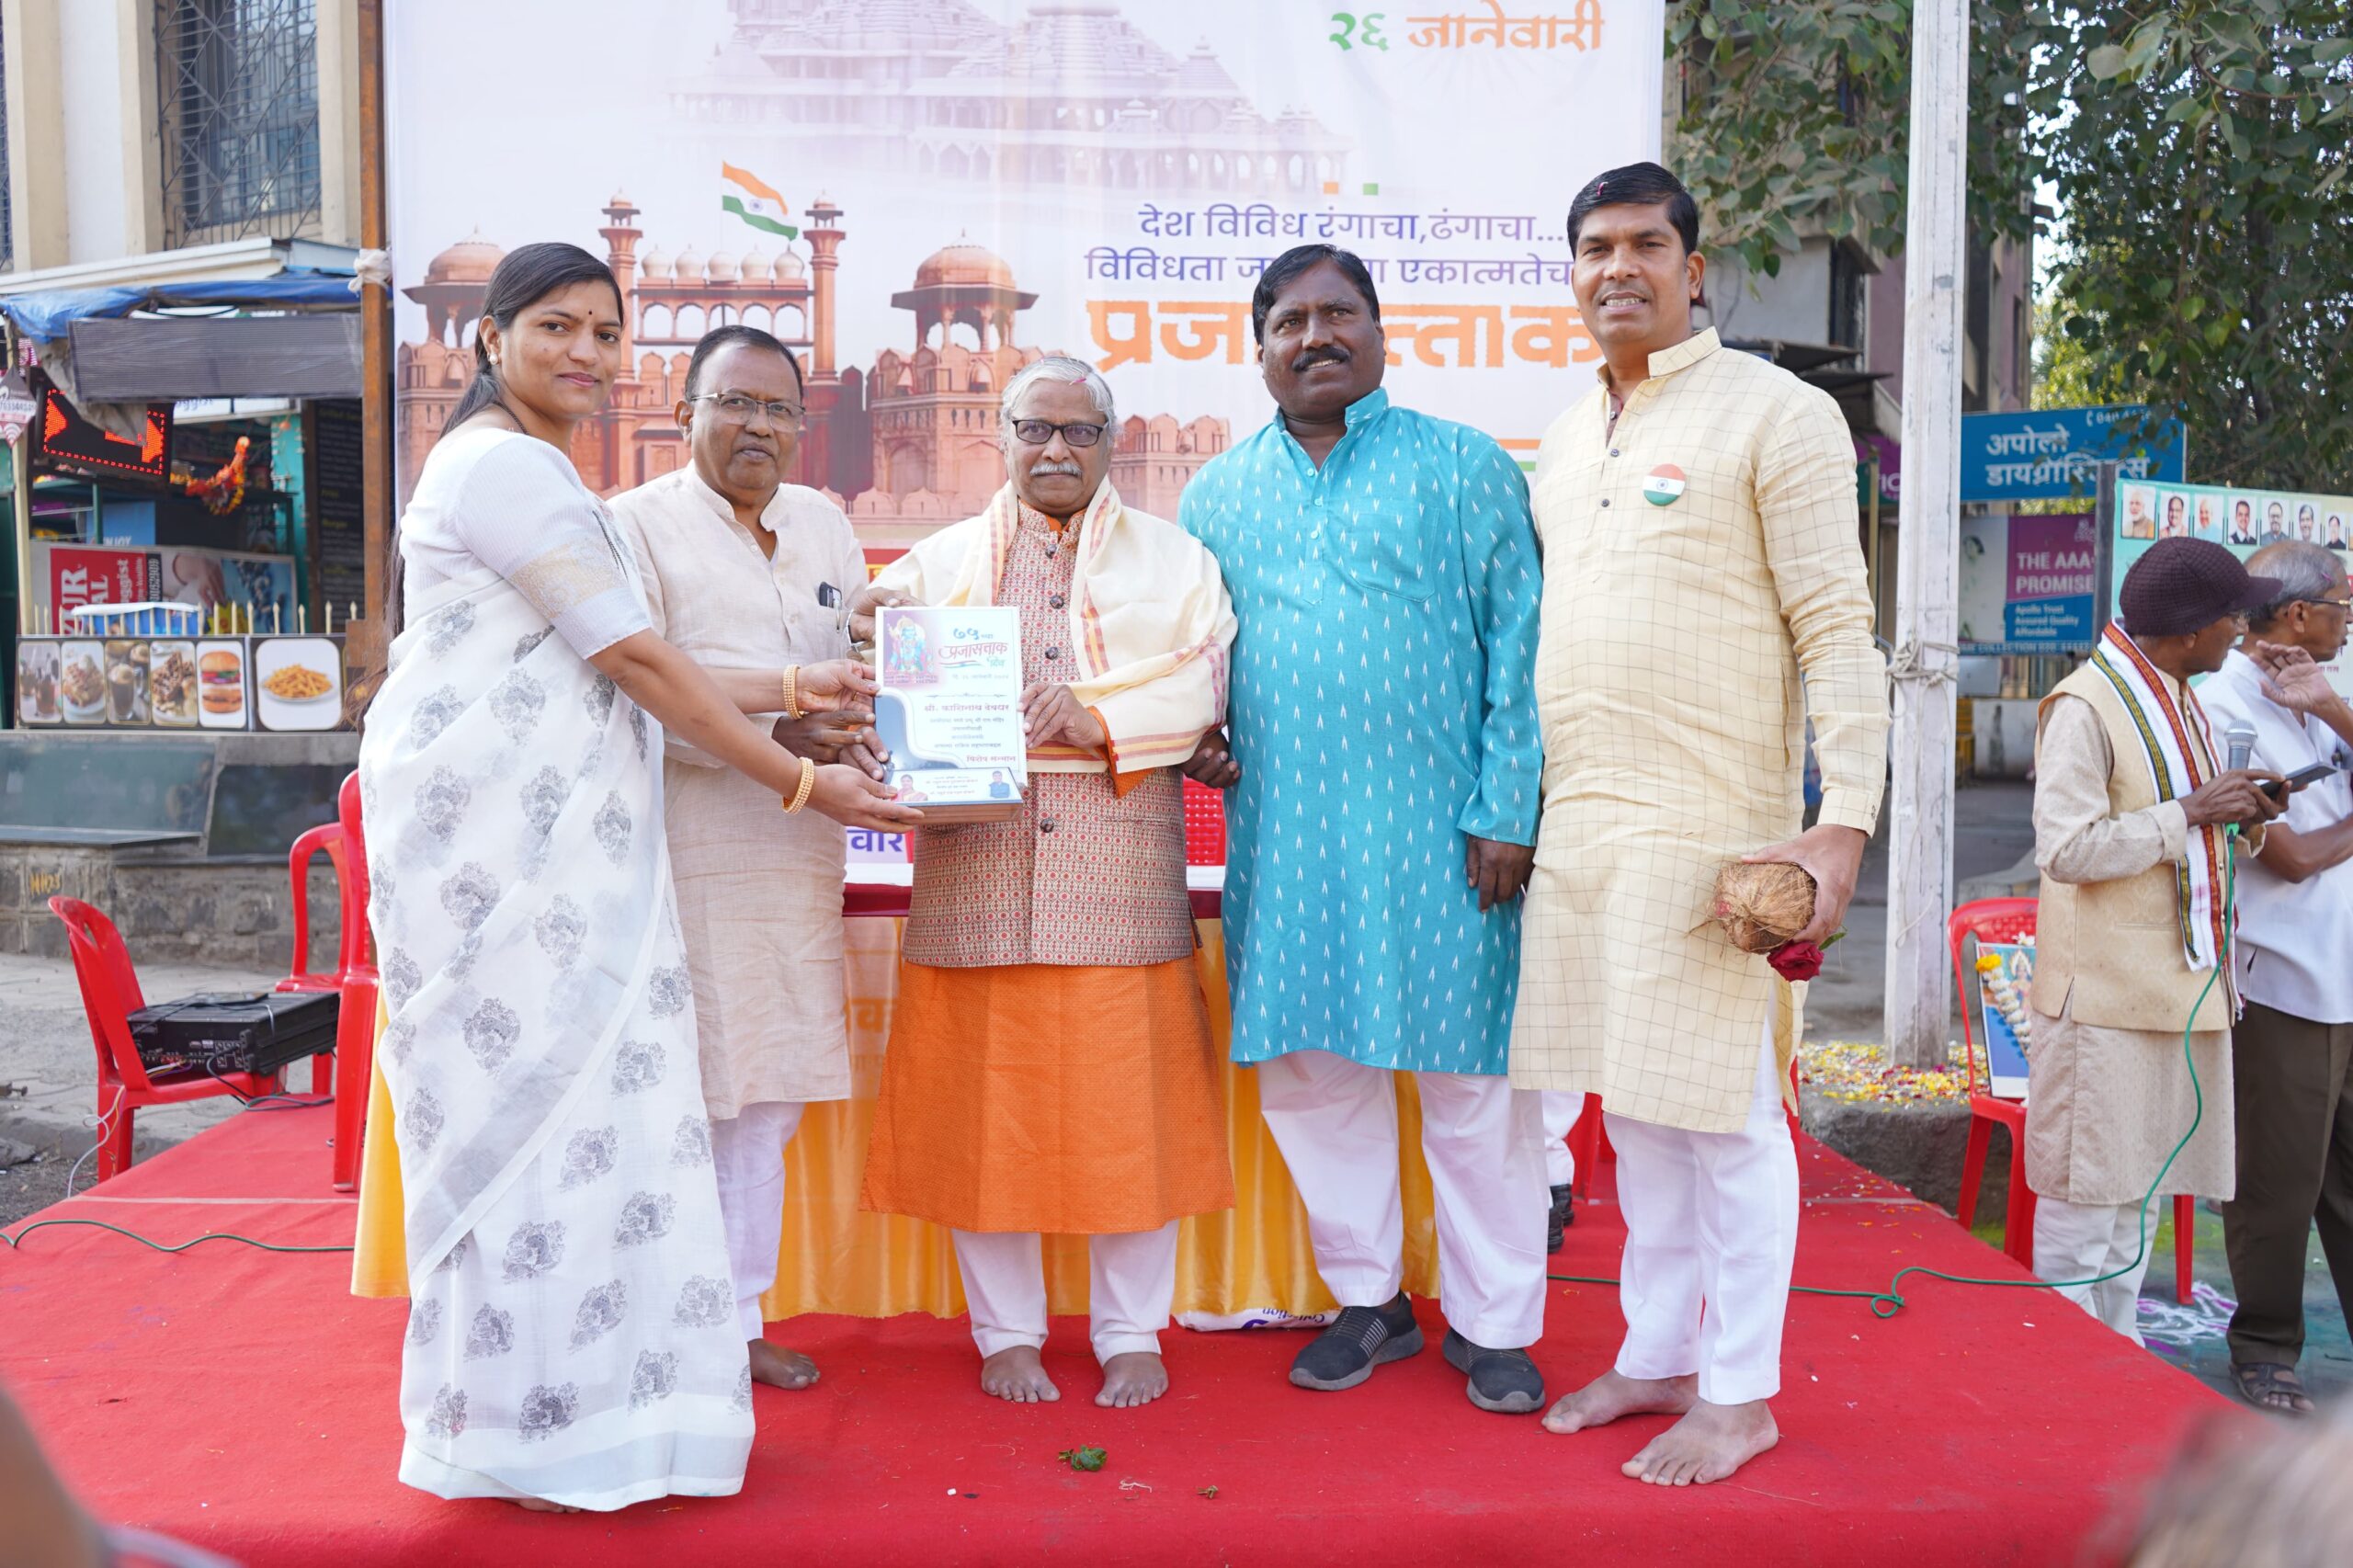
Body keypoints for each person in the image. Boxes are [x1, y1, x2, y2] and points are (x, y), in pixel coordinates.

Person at [360, 243, 915, 1510]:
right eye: (556, 326)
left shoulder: (536, 471)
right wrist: (800, 777)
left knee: (584, 1130)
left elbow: (620, 658)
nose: (587, 352)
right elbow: (639, 663)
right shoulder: (508, 469)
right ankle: (533, 1425)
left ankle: (577, 1413)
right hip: (509, 860)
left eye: (606, 333)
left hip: (560, 850)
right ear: (489, 338)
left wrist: (801, 688)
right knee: (538, 1125)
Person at [1508, 164, 1889, 1485]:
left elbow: (1837, 627)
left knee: (1726, 1118)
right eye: (1594, 247)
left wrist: (1842, 823)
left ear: (1693, 267)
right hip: (1584, 830)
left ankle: (1740, 1392)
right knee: (1640, 1115)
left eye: (1644, 244)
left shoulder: (1776, 413)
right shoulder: (1567, 438)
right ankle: (1659, 1353)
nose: (1617, 268)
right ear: (1573, 273)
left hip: (1716, 835)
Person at [1178, 244, 1551, 1415]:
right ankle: (1369, 1299)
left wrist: (1508, 808)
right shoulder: (1214, 495)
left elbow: (1521, 644)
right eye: (1288, 322)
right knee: (1312, 1076)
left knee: (1471, 1082)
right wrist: (1195, 732)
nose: (1315, 337)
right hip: (1288, 838)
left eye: (1337, 313)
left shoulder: (1463, 465)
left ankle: (1495, 1322)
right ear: (1259, 349)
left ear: (1380, 331)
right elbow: (1191, 657)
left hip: (1450, 838)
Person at [855, 355, 1238, 1409]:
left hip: (1119, 860)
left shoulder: (1176, 560)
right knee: (982, 1111)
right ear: (1004, 437)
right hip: (975, 865)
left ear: (1110, 443)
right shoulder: (933, 562)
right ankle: (1007, 1331)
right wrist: (873, 642)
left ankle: (1129, 1329)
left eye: (1079, 431)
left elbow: (1206, 673)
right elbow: (878, 657)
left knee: (1132, 1109)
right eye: (1035, 429)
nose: (1056, 449)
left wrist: (1096, 713)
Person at [608, 324, 878, 1396]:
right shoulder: (633, 526)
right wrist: (787, 716)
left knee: (765, 1097)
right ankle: (665, 1321)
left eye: (777, 408)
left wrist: (879, 684)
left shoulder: (823, 524)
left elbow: (850, 667)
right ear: (685, 412)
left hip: (798, 850)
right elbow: (643, 689)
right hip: (688, 849)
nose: (756, 425)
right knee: (689, 1094)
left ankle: (736, 1315)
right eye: (734, 402)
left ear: (802, 425)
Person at [2027, 535, 2288, 1349]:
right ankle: (2063, 1371)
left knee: (2136, 1198)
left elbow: (2191, 820)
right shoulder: (2084, 706)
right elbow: (2066, 851)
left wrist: (2243, 814)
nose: (2241, 632)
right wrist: (2192, 813)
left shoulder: (2178, 694)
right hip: (2103, 1001)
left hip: (2175, 988)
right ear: (2190, 630)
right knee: (2087, 1207)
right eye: (2233, 618)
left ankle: (2115, 1367)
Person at [2192, 540, 2353, 1415]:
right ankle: (2263, 1347)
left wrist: (2331, 707)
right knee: (2279, 1183)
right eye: (2343, 607)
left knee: (2346, 1184)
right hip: (2286, 980)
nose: (2348, 622)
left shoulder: (2317, 694)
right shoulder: (2225, 704)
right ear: (2298, 613)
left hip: (2344, 971)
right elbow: (2287, 857)